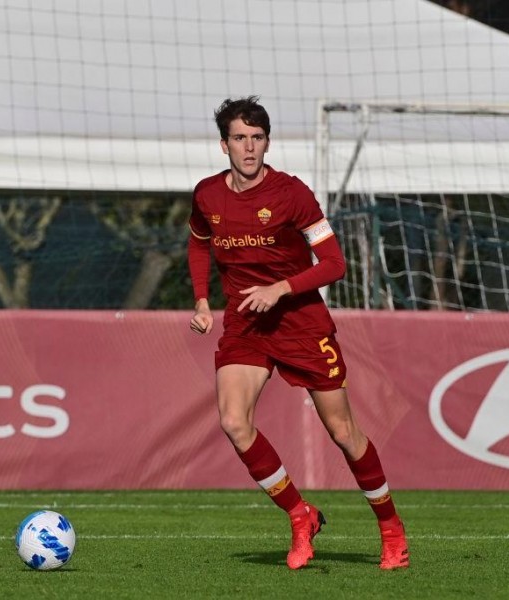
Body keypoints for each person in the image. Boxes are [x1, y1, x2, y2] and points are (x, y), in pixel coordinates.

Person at [187, 96, 409, 571]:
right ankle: (299, 513)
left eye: (257, 138)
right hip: (247, 324)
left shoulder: (292, 194)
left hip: (301, 325)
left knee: (343, 432)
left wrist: (281, 288)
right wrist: (202, 300)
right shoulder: (207, 194)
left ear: (268, 142)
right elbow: (199, 242)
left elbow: (335, 264)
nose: (249, 147)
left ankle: (391, 530)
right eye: (240, 138)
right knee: (233, 421)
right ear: (223, 144)